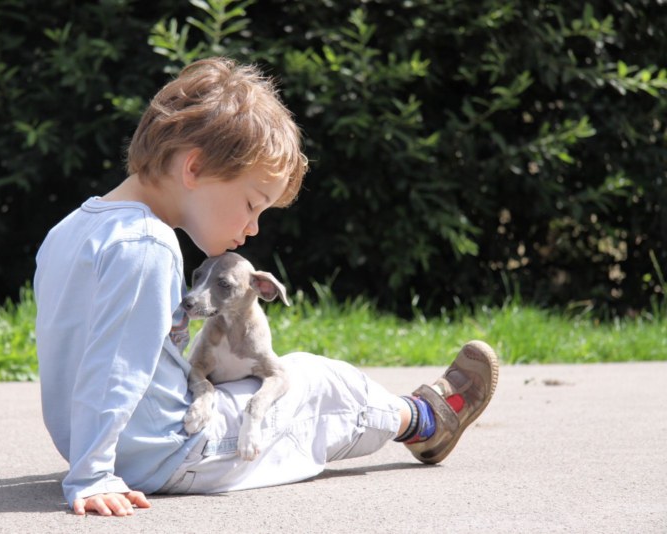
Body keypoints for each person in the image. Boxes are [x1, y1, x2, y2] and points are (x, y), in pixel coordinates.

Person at [33, 56, 499, 517]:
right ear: (193, 168)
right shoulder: (147, 244)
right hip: (169, 451)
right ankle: (425, 420)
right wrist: (92, 475)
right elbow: (116, 368)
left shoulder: (70, 230)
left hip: (97, 443)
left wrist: (88, 456)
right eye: (252, 204)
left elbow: (72, 352)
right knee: (320, 383)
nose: (253, 227)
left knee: (266, 379)